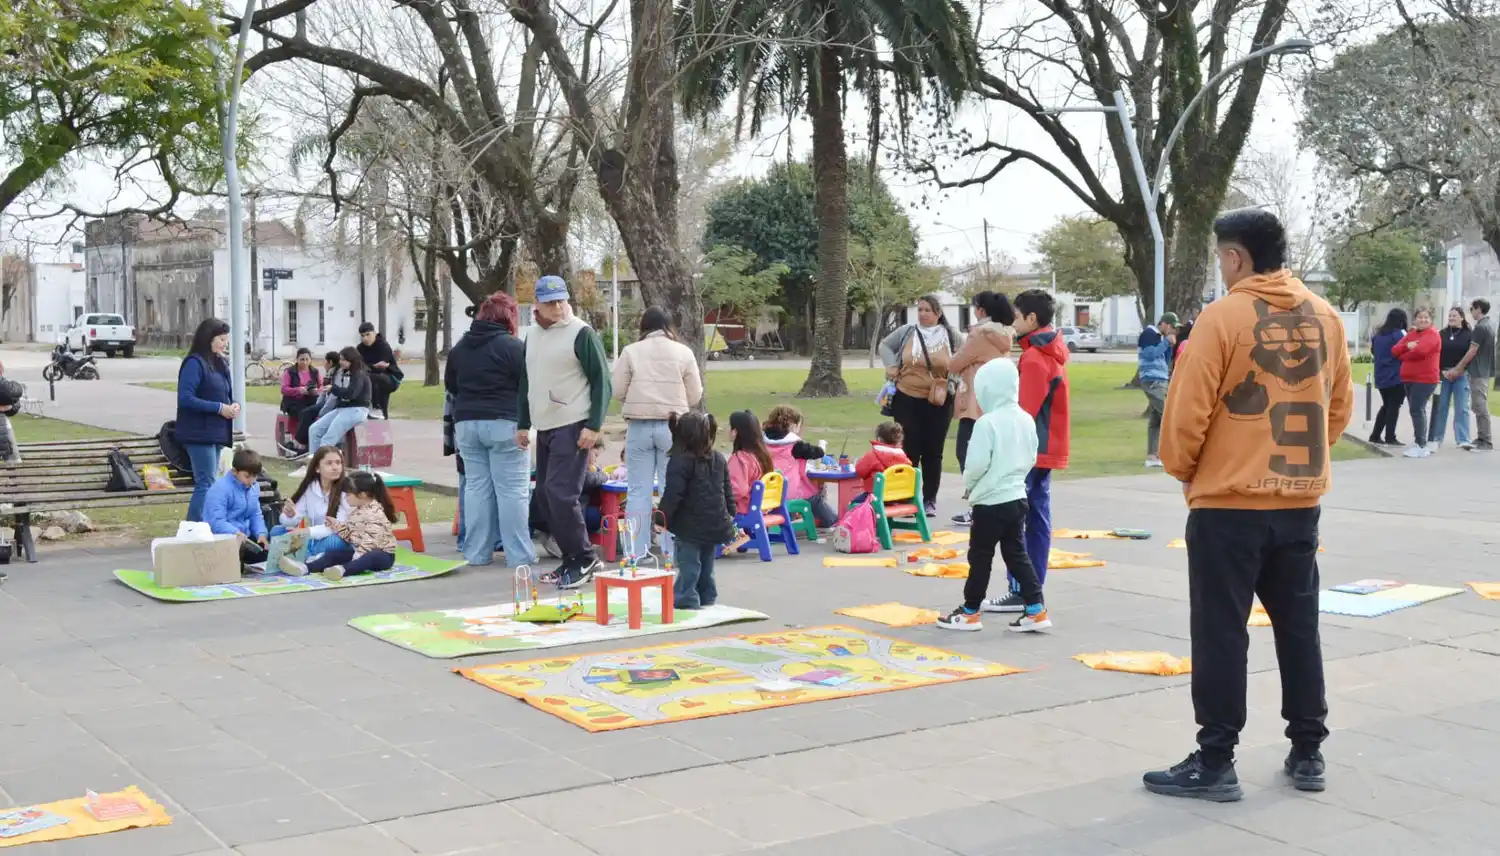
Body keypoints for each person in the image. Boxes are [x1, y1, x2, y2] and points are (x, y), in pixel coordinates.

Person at [1147, 207, 1352, 803]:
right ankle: (1308, 749)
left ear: (1235, 257)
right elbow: (1338, 408)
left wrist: (1189, 472)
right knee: (1299, 628)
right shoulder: (1326, 317)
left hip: (1229, 505)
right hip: (1299, 501)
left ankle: (1216, 759)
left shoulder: (1223, 317)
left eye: (1222, 258)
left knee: (1221, 632)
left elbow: (1186, 414)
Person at [935, 359, 1048, 632]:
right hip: (1017, 497)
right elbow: (1032, 456)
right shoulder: (1025, 419)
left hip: (990, 501)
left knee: (980, 557)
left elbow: (976, 464)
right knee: (1016, 554)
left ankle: (970, 611)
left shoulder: (987, 423)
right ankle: (1036, 608)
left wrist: (970, 485)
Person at [517, 275, 611, 589]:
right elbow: (527, 381)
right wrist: (522, 423)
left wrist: (593, 426)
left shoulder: (581, 333)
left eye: (561, 300)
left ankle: (585, 557)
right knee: (545, 495)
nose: (557, 307)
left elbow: (602, 381)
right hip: (544, 425)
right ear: (537, 305)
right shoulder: (532, 335)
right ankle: (570, 558)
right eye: (550, 302)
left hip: (573, 423)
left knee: (561, 493)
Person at [986, 289, 1069, 614]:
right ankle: (1030, 589)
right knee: (1036, 517)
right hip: (1044, 447)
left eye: (1018, 316)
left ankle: (1023, 590)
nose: (1013, 322)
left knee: (1019, 521)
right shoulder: (1050, 351)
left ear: (1032, 319)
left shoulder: (1035, 357)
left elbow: (1024, 411)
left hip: (1030, 449)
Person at [446, 291, 535, 569]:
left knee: (476, 488)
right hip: (505, 422)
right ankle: (518, 555)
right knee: (512, 491)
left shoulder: (459, 348)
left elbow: (451, 386)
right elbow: (528, 385)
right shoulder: (513, 347)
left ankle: (476, 553)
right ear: (508, 317)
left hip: (466, 423)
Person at [612, 306, 703, 561]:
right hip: (674, 428)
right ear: (669, 326)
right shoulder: (683, 352)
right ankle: (671, 549)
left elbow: (617, 390)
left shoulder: (631, 351)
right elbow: (695, 394)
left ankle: (636, 551)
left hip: (639, 426)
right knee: (671, 488)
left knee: (638, 490)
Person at [877, 294, 963, 516]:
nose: (923, 314)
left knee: (933, 451)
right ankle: (906, 497)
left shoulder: (951, 335)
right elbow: (885, 346)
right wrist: (891, 365)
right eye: (920, 309)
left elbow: (963, 359)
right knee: (909, 449)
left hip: (939, 401)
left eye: (928, 310)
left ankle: (929, 499)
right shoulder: (907, 332)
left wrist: (952, 381)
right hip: (907, 398)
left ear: (938, 313)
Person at [947, 291, 1015, 525]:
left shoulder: (980, 335)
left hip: (975, 405)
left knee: (967, 455)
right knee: (993, 457)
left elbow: (954, 363)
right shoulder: (1004, 334)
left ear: (981, 310)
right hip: (997, 402)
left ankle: (979, 506)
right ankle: (993, 505)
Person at [659, 411, 736, 610]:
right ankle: (707, 594)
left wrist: (661, 517)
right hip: (715, 520)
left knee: (689, 563)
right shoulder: (718, 458)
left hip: (689, 524)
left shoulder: (679, 460)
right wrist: (731, 511)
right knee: (706, 562)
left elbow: (673, 493)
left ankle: (686, 596)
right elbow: (726, 488)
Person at [175, 318, 239, 522]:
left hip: (216, 431)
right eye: (221, 339)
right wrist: (219, 408)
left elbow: (225, 393)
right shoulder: (194, 363)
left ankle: (206, 523)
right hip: (198, 432)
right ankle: (193, 526)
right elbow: (186, 398)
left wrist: (233, 405)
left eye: (226, 339)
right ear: (208, 338)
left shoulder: (220, 363)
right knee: (206, 482)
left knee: (211, 482)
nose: (224, 344)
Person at [281, 471, 398, 581]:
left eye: (348, 494)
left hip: (382, 555)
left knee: (371, 556)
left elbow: (371, 541)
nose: (345, 497)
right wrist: (336, 525)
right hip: (358, 551)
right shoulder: (356, 511)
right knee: (333, 555)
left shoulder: (374, 513)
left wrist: (355, 558)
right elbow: (350, 535)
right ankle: (305, 568)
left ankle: (343, 570)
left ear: (362, 495)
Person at [762, 405, 837, 528]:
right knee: (814, 499)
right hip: (788, 491)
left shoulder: (763, 443)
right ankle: (832, 521)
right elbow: (816, 452)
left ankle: (787, 519)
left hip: (768, 492)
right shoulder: (794, 445)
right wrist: (822, 448)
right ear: (792, 425)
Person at [203, 448, 269, 565]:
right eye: (247, 476)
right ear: (234, 471)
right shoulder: (220, 489)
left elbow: (255, 514)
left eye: (254, 476)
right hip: (223, 539)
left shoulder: (253, 487)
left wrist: (261, 534)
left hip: (246, 539)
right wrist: (235, 532)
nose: (251, 481)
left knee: (269, 555)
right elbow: (216, 521)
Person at [305, 347, 372, 455]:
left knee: (328, 439)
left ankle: (323, 461)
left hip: (357, 409)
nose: (340, 362)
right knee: (314, 429)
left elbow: (351, 394)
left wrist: (333, 388)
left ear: (352, 360)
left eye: (343, 360)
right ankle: (314, 460)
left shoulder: (359, 374)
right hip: (342, 408)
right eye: (340, 359)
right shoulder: (345, 373)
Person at [1395, 308, 1441, 458]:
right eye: (1420, 317)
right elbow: (1395, 350)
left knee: (1417, 409)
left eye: (1426, 317)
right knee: (1415, 410)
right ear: (1415, 319)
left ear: (1431, 319)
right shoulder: (1412, 334)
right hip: (1409, 378)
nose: (1423, 320)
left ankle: (1421, 445)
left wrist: (1403, 355)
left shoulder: (1432, 334)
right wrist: (1407, 346)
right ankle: (1418, 442)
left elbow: (1421, 351)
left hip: (1425, 379)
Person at [1138, 312, 1178, 468]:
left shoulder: (1161, 339)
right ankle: (1176, 453)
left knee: (1156, 420)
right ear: (1164, 324)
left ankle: (1152, 456)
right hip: (1152, 379)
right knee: (1168, 415)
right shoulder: (1149, 334)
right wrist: (1166, 343)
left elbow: (1164, 361)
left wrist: (1168, 346)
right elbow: (1150, 354)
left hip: (1160, 379)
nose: (1173, 331)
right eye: (1172, 327)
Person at [1431, 307, 1474, 451]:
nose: (1451, 318)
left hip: (1461, 375)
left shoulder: (1469, 334)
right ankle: (1436, 437)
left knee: (1462, 407)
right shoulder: (1441, 334)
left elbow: (1471, 354)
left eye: (1454, 315)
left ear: (1462, 318)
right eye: (1449, 316)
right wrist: (1442, 370)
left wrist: (1459, 370)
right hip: (1443, 375)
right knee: (1441, 407)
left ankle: (1463, 439)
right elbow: (1435, 353)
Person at [1368, 309, 1408, 446]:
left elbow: (1373, 351)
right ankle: (1390, 436)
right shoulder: (1400, 334)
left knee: (1387, 405)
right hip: (1396, 375)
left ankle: (1375, 435)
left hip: (1381, 375)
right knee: (1394, 406)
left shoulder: (1378, 336)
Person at [727, 410, 774, 516]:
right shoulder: (762, 454)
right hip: (761, 509)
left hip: (743, 511)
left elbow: (737, 490)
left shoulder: (740, 459)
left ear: (735, 432)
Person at [279, 348, 322, 456]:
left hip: (311, 399)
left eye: (307, 359)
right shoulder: (290, 372)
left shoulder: (315, 372)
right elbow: (284, 389)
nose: (305, 362)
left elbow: (321, 387)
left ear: (310, 360)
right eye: (302, 359)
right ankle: (301, 443)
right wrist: (298, 390)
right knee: (304, 413)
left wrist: (315, 391)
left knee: (314, 412)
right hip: (293, 401)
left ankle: (304, 443)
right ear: (297, 359)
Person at [853, 421, 910, 503]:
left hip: (877, 496)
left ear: (879, 439)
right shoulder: (903, 457)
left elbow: (859, 471)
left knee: (853, 503)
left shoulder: (873, 455)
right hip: (900, 496)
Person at [356, 322, 402, 419]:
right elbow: (359, 366)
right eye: (362, 336)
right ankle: (380, 414)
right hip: (372, 379)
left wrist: (370, 367)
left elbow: (382, 367)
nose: (365, 338)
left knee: (375, 378)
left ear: (374, 333)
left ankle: (377, 407)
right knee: (370, 382)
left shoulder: (383, 345)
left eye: (368, 335)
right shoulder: (360, 348)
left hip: (391, 378)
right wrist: (373, 366)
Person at [1467, 298, 1495, 451]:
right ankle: (1481, 437)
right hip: (1482, 370)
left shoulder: (1480, 327)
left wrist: (1458, 368)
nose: (1471, 311)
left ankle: (1486, 440)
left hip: (1479, 371)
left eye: (1472, 308)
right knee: (1477, 404)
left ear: (1478, 309)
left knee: (1480, 405)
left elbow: (1472, 351)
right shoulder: (1488, 325)